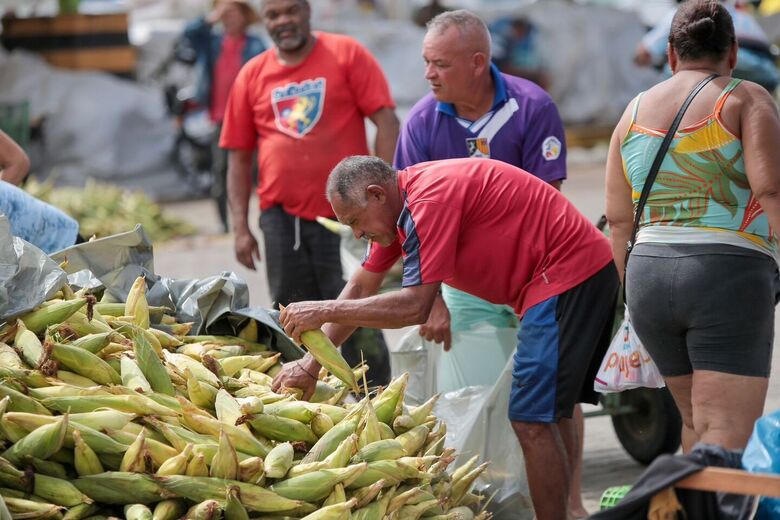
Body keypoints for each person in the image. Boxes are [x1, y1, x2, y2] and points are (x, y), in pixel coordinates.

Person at [274, 156, 620, 520]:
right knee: (546, 413)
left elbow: (414, 307)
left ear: (376, 194)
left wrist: (323, 310)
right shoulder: (398, 209)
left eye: (355, 222)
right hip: (557, 281)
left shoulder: (427, 202)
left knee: (531, 420)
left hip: (567, 275)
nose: (357, 235)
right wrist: (311, 365)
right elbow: (360, 287)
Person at [394, 10, 586, 517]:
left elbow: (551, 201)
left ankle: (569, 502)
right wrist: (430, 299)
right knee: (468, 393)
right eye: (426, 63)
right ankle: (478, 497)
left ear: (478, 62)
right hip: (464, 286)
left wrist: (543, 290)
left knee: (556, 394)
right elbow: (406, 221)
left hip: (538, 278)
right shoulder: (420, 121)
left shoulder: (531, 107)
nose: (429, 74)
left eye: (440, 64)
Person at [606, 0, 780, 453]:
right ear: (734, 52)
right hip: (725, 275)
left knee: (694, 425)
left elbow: (620, 221)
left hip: (647, 278)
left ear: (670, 54)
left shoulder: (632, 112)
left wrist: (634, 295)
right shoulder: (745, 97)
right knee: (726, 433)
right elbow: (772, 191)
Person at [220, 0, 400, 386]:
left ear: (307, 12)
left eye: (290, 11)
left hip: (348, 223)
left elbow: (386, 120)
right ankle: (308, 401)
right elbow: (238, 159)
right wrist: (240, 226)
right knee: (293, 318)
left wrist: (385, 195)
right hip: (282, 221)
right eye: (273, 14)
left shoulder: (346, 54)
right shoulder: (252, 74)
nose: (283, 21)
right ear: (263, 21)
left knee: (356, 309)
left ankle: (377, 395)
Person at [182, 0, 266, 232]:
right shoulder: (212, 43)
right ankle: (225, 223)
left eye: (235, 13)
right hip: (221, 118)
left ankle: (261, 219)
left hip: (251, 118)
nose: (230, 18)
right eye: (225, 14)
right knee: (221, 171)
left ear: (245, 17)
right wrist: (212, 17)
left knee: (258, 169)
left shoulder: (255, 45)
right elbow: (188, 34)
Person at [634, 0, 779, 92]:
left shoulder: (682, 13)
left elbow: (643, 54)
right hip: (761, 72)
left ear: (671, 53)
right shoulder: (743, 16)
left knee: (667, 83)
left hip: (715, 70)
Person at [489, 16, 551, 91]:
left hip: (493, 72)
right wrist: (532, 74)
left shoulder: (501, 34)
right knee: (540, 78)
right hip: (493, 74)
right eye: (523, 33)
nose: (522, 38)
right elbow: (504, 68)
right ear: (519, 29)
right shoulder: (506, 39)